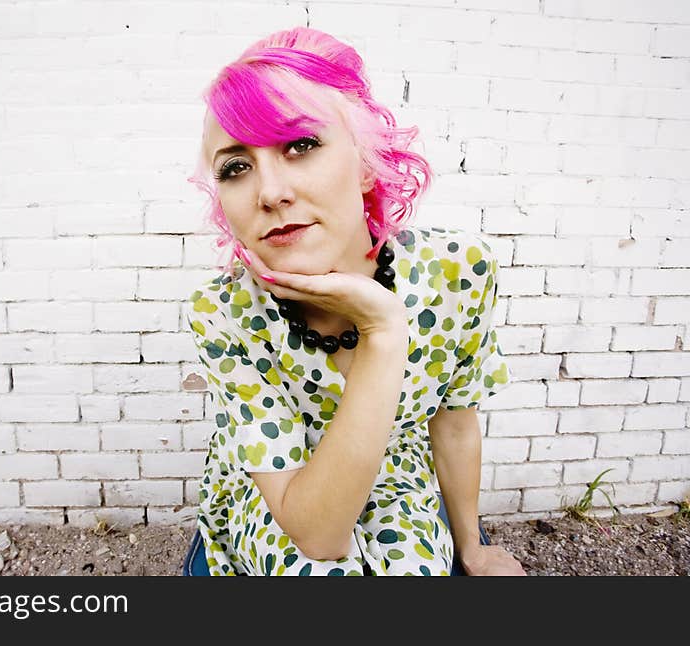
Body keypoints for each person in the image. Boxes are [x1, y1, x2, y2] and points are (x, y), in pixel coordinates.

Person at [185, 26, 525, 576]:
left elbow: (456, 420)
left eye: (301, 146)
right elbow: (316, 535)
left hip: (396, 474)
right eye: (236, 167)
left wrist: (473, 546)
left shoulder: (458, 271)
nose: (270, 193)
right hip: (279, 488)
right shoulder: (224, 312)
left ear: (367, 163)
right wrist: (384, 332)